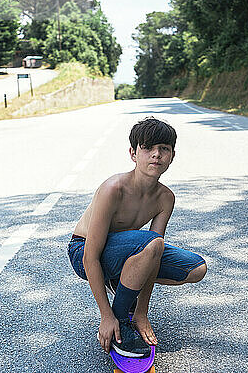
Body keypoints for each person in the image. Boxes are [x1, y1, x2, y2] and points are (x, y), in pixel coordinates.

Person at [67, 117, 207, 358]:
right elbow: (91, 256)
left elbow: (155, 254)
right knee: (150, 243)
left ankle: (127, 297)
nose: (156, 155)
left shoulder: (165, 198)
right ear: (133, 153)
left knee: (196, 269)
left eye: (164, 149)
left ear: (172, 156)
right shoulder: (114, 189)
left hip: (133, 250)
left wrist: (142, 311)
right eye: (148, 148)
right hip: (85, 251)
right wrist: (106, 315)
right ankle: (120, 316)